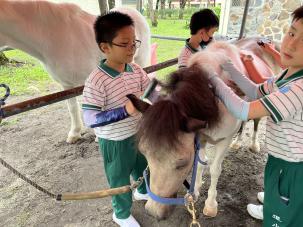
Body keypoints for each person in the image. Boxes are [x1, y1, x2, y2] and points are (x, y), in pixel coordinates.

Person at [208, 5, 303, 226]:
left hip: (294, 169)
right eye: (292, 33)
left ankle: (276, 214)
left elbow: (244, 109)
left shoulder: (299, 88)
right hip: (280, 158)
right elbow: (255, 91)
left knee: (283, 219)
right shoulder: (287, 74)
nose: (292, 44)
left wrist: (214, 79)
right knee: (275, 189)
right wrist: (230, 68)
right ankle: (272, 204)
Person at [82, 11, 150, 227]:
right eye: (125, 43)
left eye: (134, 42)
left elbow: (149, 91)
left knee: (142, 165)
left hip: (137, 133)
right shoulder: (97, 80)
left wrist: (160, 96)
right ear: (105, 47)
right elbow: (90, 118)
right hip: (114, 141)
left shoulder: (136, 70)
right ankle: (120, 214)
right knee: (119, 177)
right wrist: (124, 111)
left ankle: (141, 191)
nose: (133, 48)